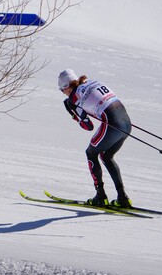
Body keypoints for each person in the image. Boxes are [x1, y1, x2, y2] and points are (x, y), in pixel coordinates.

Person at [57, 69, 133, 207]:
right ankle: (122, 197)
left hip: (112, 124)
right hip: (127, 124)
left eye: (62, 90)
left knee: (91, 153)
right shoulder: (91, 82)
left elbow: (88, 126)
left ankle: (100, 196)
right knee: (106, 156)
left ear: (66, 87)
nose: (63, 93)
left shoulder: (72, 98)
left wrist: (73, 114)